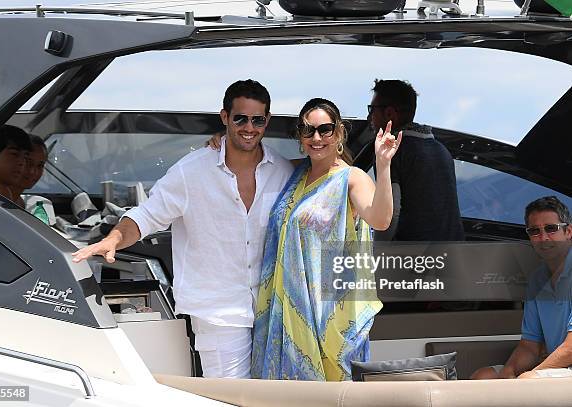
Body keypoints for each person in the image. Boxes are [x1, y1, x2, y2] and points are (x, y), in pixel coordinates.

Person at [72, 79, 294, 378]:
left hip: (275, 310)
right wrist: (113, 238)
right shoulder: (191, 171)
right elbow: (146, 216)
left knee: (277, 396)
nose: (249, 127)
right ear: (225, 117)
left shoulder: (283, 170)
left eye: (257, 119)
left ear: (267, 121)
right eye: (240, 118)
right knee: (230, 399)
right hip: (218, 312)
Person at [251, 98, 400, 381]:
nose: (316, 138)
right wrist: (222, 140)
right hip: (285, 315)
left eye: (325, 129)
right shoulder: (295, 174)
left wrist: (383, 165)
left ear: (340, 132)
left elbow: (380, 219)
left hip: (331, 317)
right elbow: (252, 161)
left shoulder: (351, 178)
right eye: (308, 130)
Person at [471, 196, 572, 379]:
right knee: (483, 377)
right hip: (558, 369)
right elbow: (529, 345)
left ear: (568, 232)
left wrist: (531, 375)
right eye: (535, 231)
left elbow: (570, 349)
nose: (543, 238)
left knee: (528, 380)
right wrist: (509, 371)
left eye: (551, 228)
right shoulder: (537, 280)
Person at [366, 79, 464, 241]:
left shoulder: (391, 152)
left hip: (414, 258)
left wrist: (377, 254)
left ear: (389, 113)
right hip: (453, 254)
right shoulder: (441, 150)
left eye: (372, 109)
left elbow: (390, 213)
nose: (370, 116)